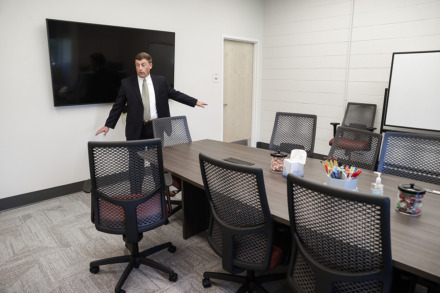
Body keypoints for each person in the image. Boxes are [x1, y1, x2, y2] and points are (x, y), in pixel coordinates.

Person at [96, 52, 207, 140]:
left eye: (143, 65)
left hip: (156, 127)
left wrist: (195, 101)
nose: (140, 68)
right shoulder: (127, 83)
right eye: (137, 65)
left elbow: (175, 94)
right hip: (135, 129)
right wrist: (108, 125)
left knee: (156, 161)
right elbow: (118, 106)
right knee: (135, 162)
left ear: (150, 65)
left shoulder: (160, 81)